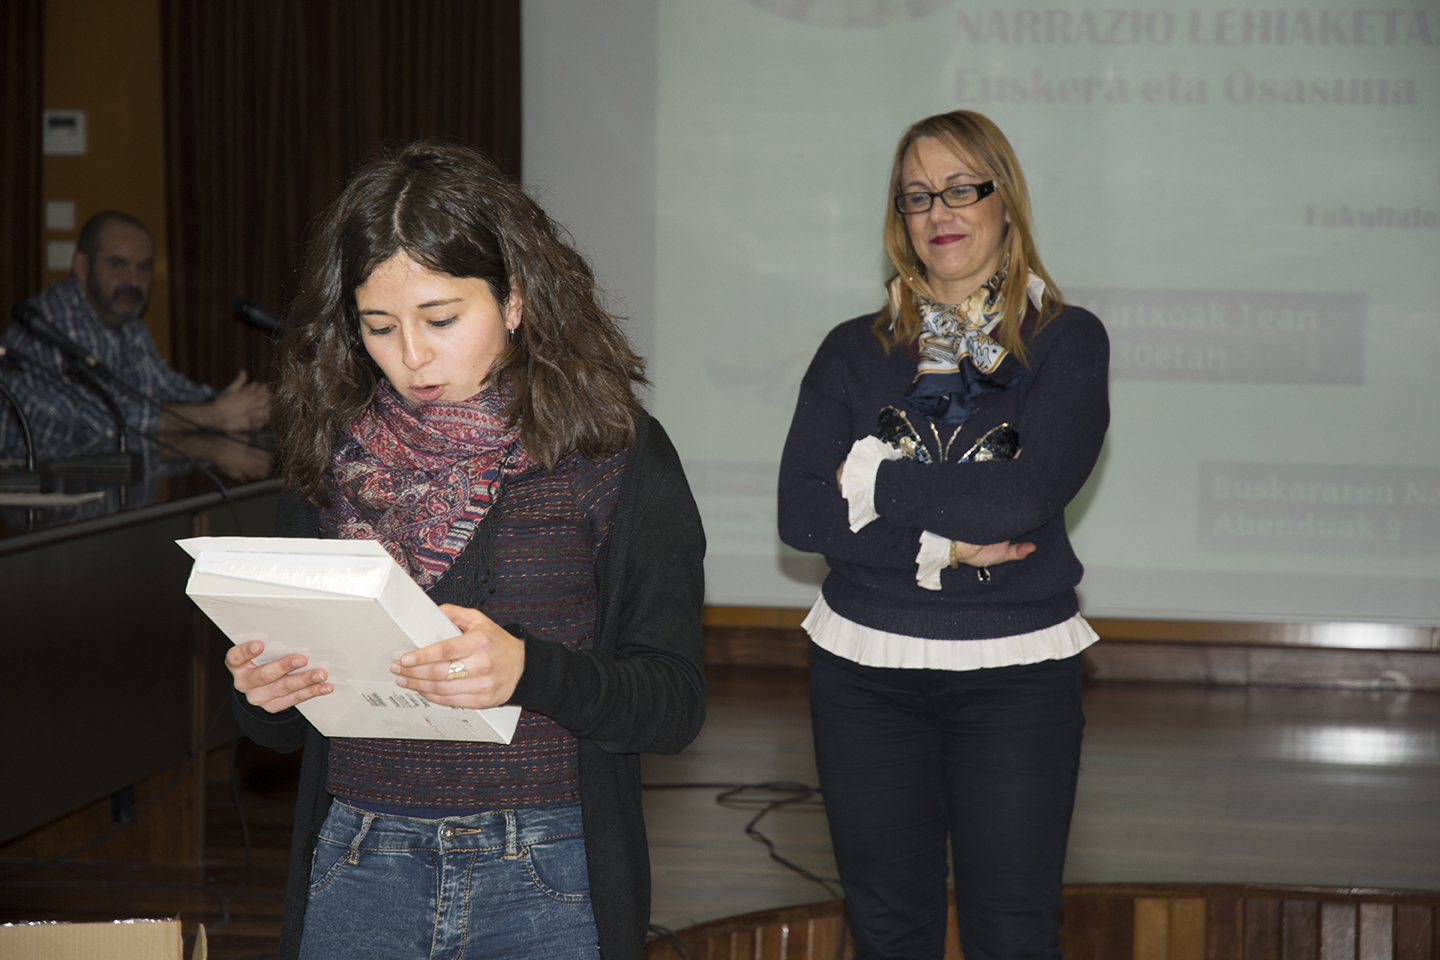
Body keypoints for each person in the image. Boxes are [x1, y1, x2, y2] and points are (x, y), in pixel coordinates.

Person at [225, 141, 706, 960]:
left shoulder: (612, 455)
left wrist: (530, 671)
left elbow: (672, 703)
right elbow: (277, 735)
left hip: (549, 869)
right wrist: (263, 694)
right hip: (359, 858)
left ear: (514, 299)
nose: (411, 356)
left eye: (441, 319)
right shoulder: (331, 461)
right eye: (379, 327)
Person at [777, 110, 1110, 959]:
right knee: (888, 932)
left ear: (1006, 200)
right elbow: (801, 514)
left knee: (1013, 933)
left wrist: (871, 482)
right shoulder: (851, 350)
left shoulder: (1065, 340)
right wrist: (941, 548)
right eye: (918, 195)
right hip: (863, 675)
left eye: (962, 188)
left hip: (1016, 676)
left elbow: (1019, 501)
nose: (940, 212)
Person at [0, 211, 271, 476]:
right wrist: (217, 415)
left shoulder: (129, 325)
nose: (133, 281)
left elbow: (168, 388)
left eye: (143, 268)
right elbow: (107, 420)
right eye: (118, 265)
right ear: (81, 266)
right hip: (32, 489)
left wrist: (238, 405)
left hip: (98, 484)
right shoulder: (54, 322)